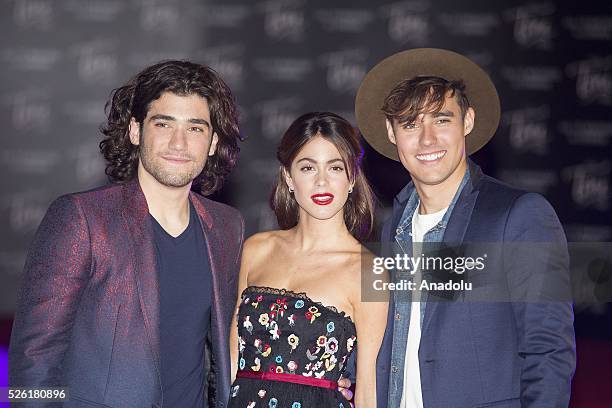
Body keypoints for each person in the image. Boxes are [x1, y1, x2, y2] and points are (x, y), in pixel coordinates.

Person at [9, 60, 244, 407]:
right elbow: (33, 361)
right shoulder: (81, 218)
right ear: (135, 131)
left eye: (195, 128)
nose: (179, 143)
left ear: (212, 143)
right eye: (163, 124)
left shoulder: (227, 227)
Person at [354, 48, 576, 407]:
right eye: (410, 124)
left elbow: (548, 351)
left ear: (467, 121)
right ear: (391, 134)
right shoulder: (393, 227)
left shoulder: (519, 215)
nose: (427, 139)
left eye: (441, 119)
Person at [227, 112, 387, 408]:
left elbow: (368, 389)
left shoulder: (369, 271)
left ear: (352, 178)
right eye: (308, 167)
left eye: (335, 168)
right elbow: (233, 356)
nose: (322, 181)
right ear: (288, 176)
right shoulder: (256, 249)